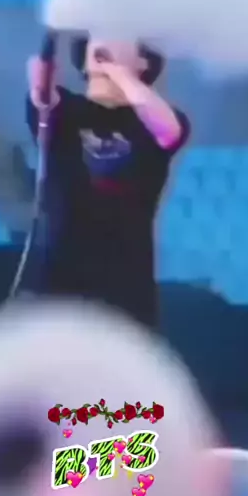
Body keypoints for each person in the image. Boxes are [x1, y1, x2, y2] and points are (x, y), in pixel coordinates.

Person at [24, 38, 190, 328]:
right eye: (98, 36)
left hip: (126, 286)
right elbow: (42, 97)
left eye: (118, 35)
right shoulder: (67, 110)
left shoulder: (157, 118)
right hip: (60, 283)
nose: (105, 39)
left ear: (144, 61)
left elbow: (169, 131)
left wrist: (117, 72)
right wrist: (41, 70)